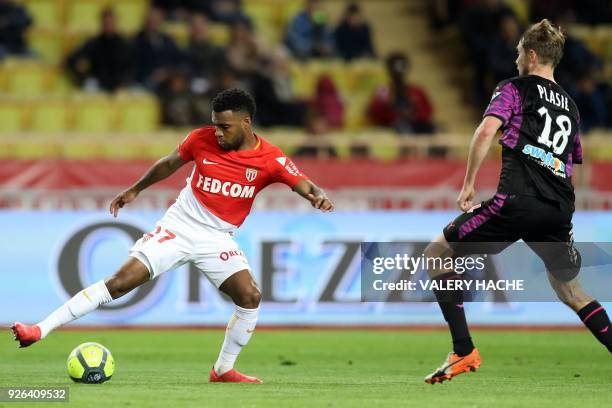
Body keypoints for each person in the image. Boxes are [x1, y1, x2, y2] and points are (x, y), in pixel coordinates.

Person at [11, 88, 334, 384]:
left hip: (218, 239)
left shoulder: (271, 159)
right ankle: (39, 330)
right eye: (215, 125)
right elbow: (168, 164)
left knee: (249, 297)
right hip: (178, 229)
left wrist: (317, 197)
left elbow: (303, 183)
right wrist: (135, 189)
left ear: (246, 123)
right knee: (121, 282)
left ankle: (222, 370)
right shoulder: (200, 139)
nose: (218, 133)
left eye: (225, 127)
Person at [422, 19, 612, 384]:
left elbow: (485, 131)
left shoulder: (514, 89)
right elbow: (570, 164)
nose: (515, 61)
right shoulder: (572, 107)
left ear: (532, 54)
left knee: (436, 253)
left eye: (518, 54)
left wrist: (468, 184)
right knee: (571, 290)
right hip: (558, 210)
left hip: (517, 202)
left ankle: (463, 350)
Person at [65, 7, 133, 92]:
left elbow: (130, 66)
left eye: (111, 22)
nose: (109, 25)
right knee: (89, 87)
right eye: (106, 22)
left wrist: (124, 81)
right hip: (97, 83)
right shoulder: (94, 43)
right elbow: (71, 59)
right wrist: (82, 78)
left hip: (118, 85)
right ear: (101, 23)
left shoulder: (123, 44)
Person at [367, 52, 434, 134]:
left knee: (437, 129)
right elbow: (374, 112)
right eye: (395, 69)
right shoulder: (383, 90)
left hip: (417, 124)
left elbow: (428, 111)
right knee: (403, 128)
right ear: (389, 70)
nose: (398, 73)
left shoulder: (417, 91)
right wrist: (389, 108)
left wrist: (415, 113)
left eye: (402, 68)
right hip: (393, 125)